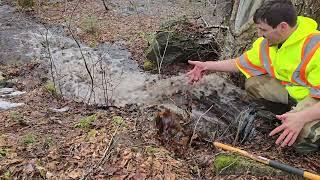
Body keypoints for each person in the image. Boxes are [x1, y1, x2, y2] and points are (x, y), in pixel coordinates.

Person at [187, 0, 320, 154]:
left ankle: (308, 143)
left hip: (316, 99)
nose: (259, 34)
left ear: (283, 27)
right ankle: (289, 116)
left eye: (263, 29)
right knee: (254, 84)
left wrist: (301, 117)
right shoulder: (270, 43)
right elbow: (240, 63)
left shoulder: (315, 47)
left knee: (302, 133)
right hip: (296, 93)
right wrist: (207, 65)